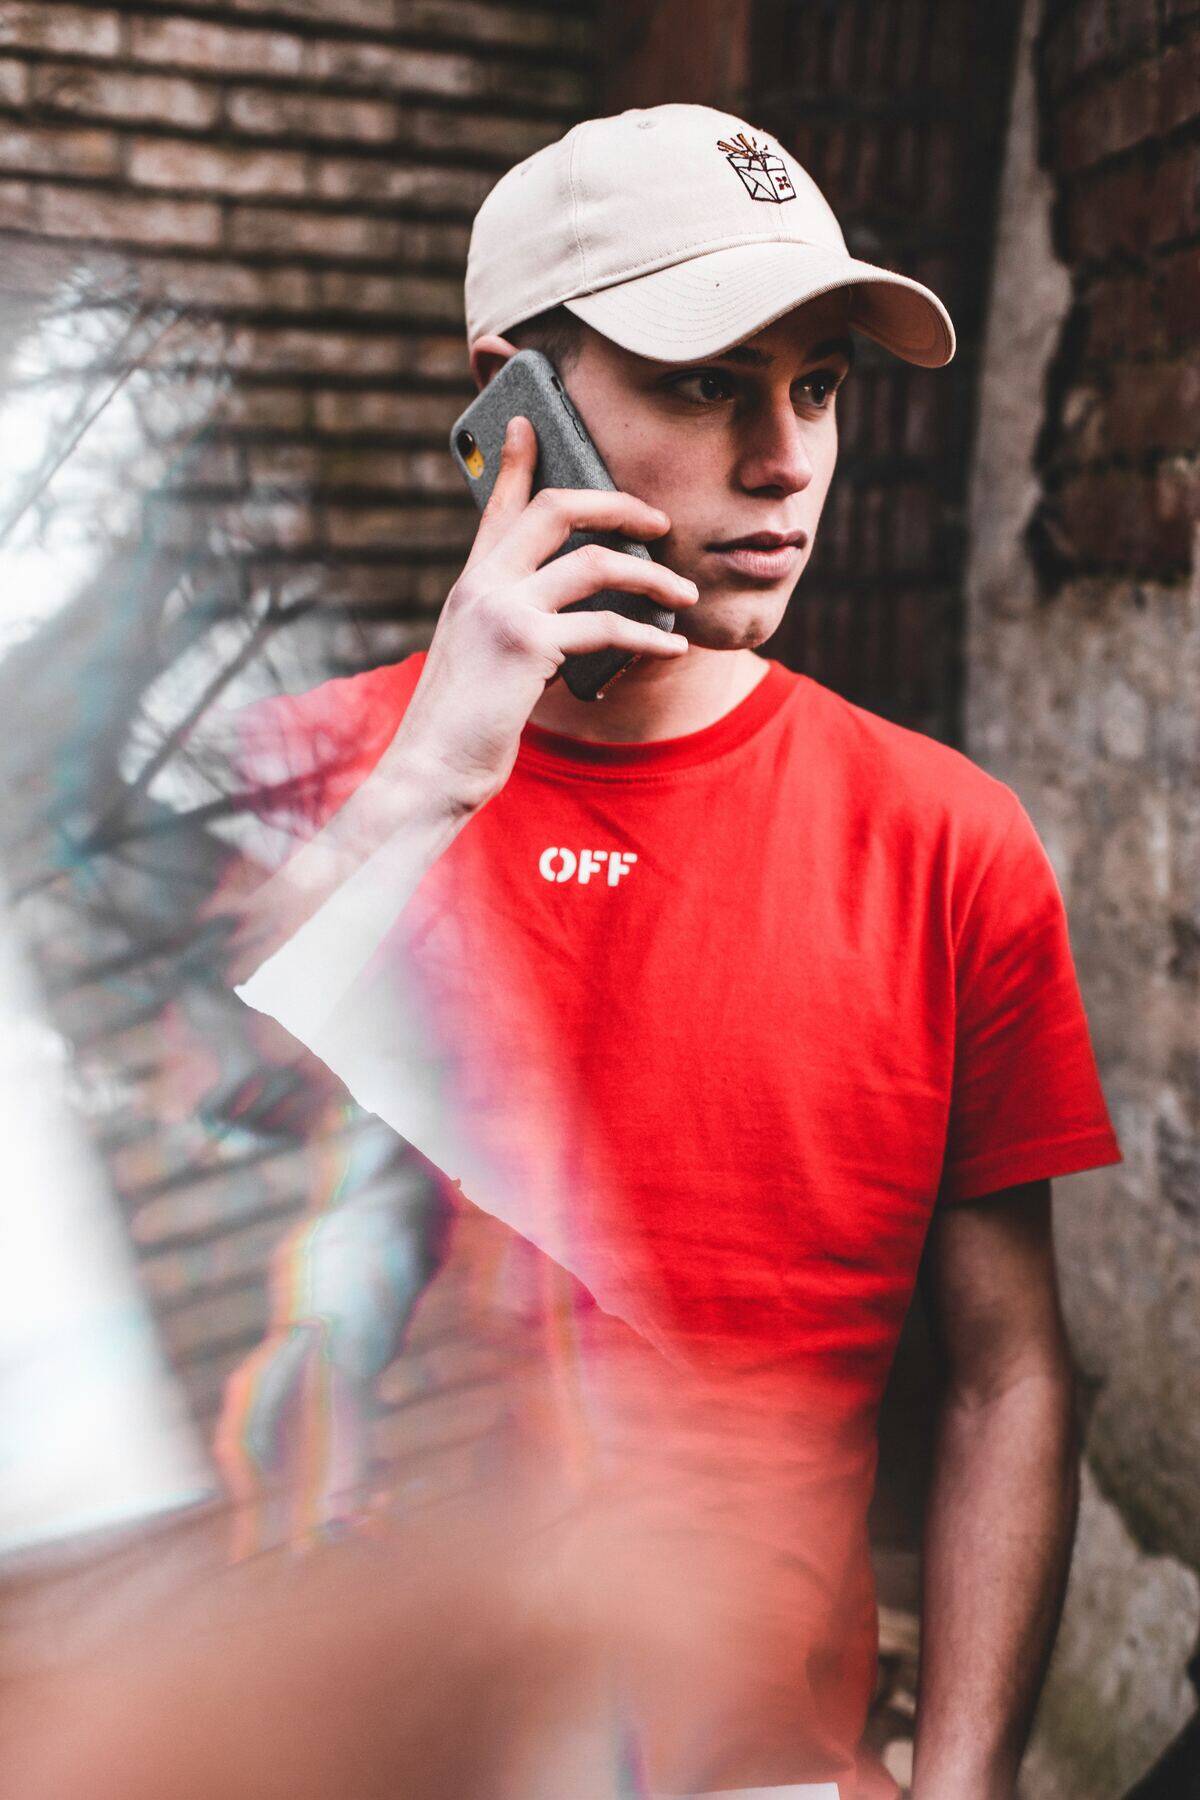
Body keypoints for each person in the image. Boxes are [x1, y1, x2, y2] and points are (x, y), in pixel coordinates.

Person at [211, 104, 1123, 1800]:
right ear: (509, 414)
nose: (785, 459)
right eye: (708, 382)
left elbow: (1008, 1373)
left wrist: (970, 1774)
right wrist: (434, 780)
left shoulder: (947, 842)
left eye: (820, 385)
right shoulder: (310, 782)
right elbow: (173, 1186)